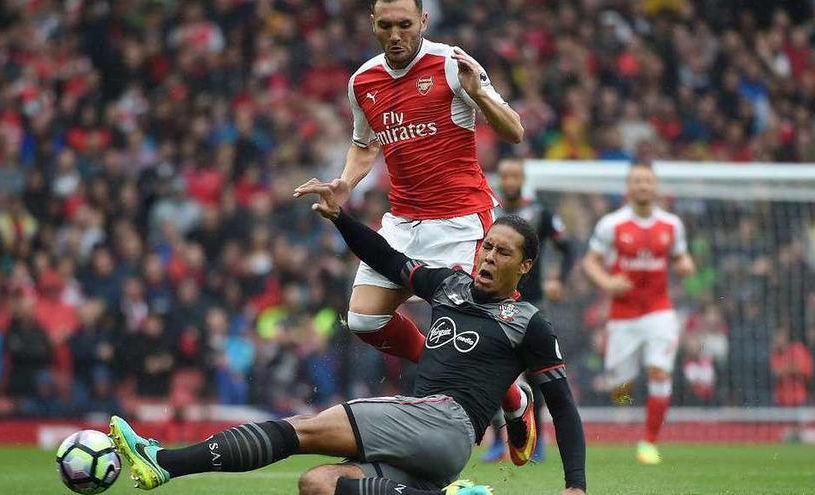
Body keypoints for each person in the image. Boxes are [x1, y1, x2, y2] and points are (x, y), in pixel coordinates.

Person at [108, 181, 587, 495]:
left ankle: (163, 461)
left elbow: (563, 405)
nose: (487, 258)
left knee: (304, 429)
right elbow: (387, 258)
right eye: (486, 247)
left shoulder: (529, 321)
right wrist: (340, 218)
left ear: (525, 266)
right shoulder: (450, 285)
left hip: (446, 423)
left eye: (503, 254)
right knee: (317, 485)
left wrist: (576, 486)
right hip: (428, 452)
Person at [293, 0, 529, 462]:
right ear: (373, 26)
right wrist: (344, 183)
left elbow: (515, 131)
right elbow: (364, 146)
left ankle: (510, 407)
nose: (396, 34)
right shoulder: (362, 81)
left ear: (423, 22)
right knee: (363, 319)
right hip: (403, 223)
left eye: (405, 24)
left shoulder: (451, 65)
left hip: (462, 222)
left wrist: (478, 94)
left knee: (469, 334)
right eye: (386, 26)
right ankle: (508, 395)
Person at [582, 163, 695, 465]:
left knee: (659, 370)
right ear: (628, 188)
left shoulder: (672, 225)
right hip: (623, 316)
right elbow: (590, 262)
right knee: (621, 388)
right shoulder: (612, 224)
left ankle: (649, 441)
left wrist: (685, 264)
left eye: (648, 181)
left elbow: (681, 256)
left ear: (655, 187)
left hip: (659, 311)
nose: (643, 186)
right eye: (637, 181)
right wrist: (606, 282)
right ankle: (628, 396)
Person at [481, 158, 575, 463]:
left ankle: (539, 441)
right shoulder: (490, 213)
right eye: (505, 175)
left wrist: (558, 280)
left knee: (539, 374)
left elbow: (568, 248)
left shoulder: (540, 213)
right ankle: (498, 440)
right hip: (495, 303)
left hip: (533, 303)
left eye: (514, 175)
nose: (509, 181)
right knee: (494, 370)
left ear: (522, 179)